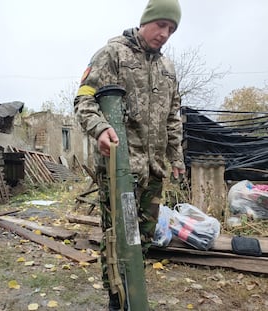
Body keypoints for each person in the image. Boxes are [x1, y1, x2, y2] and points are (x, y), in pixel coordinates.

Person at [74, 0, 186, 309]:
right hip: (120, 169)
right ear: (146, 20)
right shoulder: (112, 54)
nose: (165, 34)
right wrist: (98, 129)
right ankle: (117, 299)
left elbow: (173, 116)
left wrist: (176, 156)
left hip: (154, 171)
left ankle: (133, 289)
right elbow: (83, 100)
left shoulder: (168, 68)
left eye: (172, 29)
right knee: (118, 237)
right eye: (161, 25)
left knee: (143, 238)